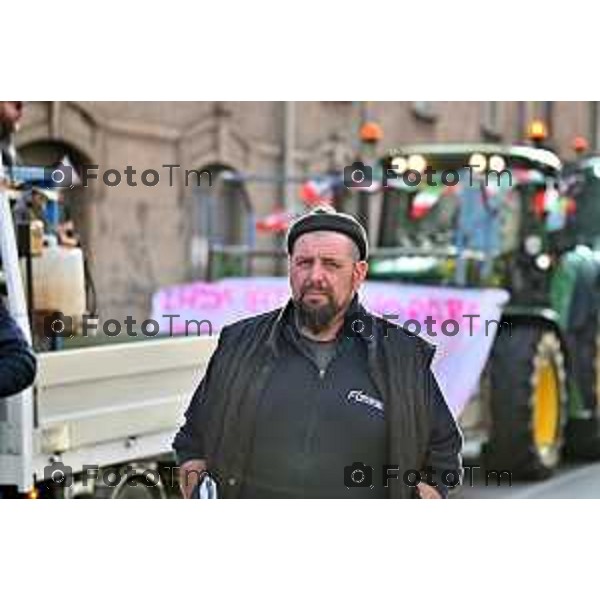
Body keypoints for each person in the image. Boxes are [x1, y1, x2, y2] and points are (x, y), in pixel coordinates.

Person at [173, 206, 462, 499]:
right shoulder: (239, 344)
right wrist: (199, 492)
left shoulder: (403, 356)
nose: (315, 276)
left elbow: (442, 454)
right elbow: (193, 441)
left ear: (358, 273)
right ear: (290, 268)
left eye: (331, 264)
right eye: (304, 263)